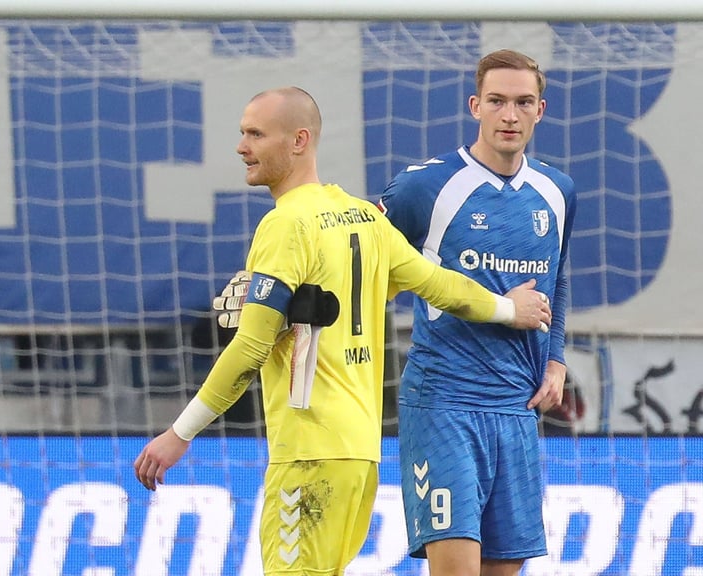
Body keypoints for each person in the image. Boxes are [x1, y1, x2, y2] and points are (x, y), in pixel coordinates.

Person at [133, 86, 552, 576]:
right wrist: (506, 308)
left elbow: (249, 347)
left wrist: (180, 434)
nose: (241, 146)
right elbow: (437, 283)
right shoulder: (363, 219)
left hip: (308, 454)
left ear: (299, 140)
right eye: (242, 133)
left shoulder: (285, 224)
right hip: (359, 456)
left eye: (254, 134)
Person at [378, 49, 577, 575]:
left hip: (516, 409)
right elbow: (366, 259)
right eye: (496, 101)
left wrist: (555, 361)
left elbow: (556, 279)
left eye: (522, 102)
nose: (509, 115)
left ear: (541, 110)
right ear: (474, 106)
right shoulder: (425, 187)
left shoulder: (557, 192)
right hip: (444, 403)